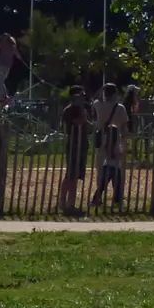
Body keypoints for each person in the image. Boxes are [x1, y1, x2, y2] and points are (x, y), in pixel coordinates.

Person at [93, 87, 132, 209]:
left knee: (101, 170)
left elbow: (96, 98)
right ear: (115, 94)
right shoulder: (120, 108)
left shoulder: (98, 105)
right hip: (115, 140)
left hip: (101, 141)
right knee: (118, 171)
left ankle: (98, 196)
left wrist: (102, 91)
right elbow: (124, 129)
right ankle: (118, 197)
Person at [59, 87, 91, 215]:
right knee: (70, 174)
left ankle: (70, 203)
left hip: (82, 144)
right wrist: (84, 117)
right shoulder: (69, 110)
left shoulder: (81, 109)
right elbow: (77, 122)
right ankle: (65, 202)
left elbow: (87, 125)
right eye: (80, 96)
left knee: (76, 175)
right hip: (73, 144)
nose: (83, 99)